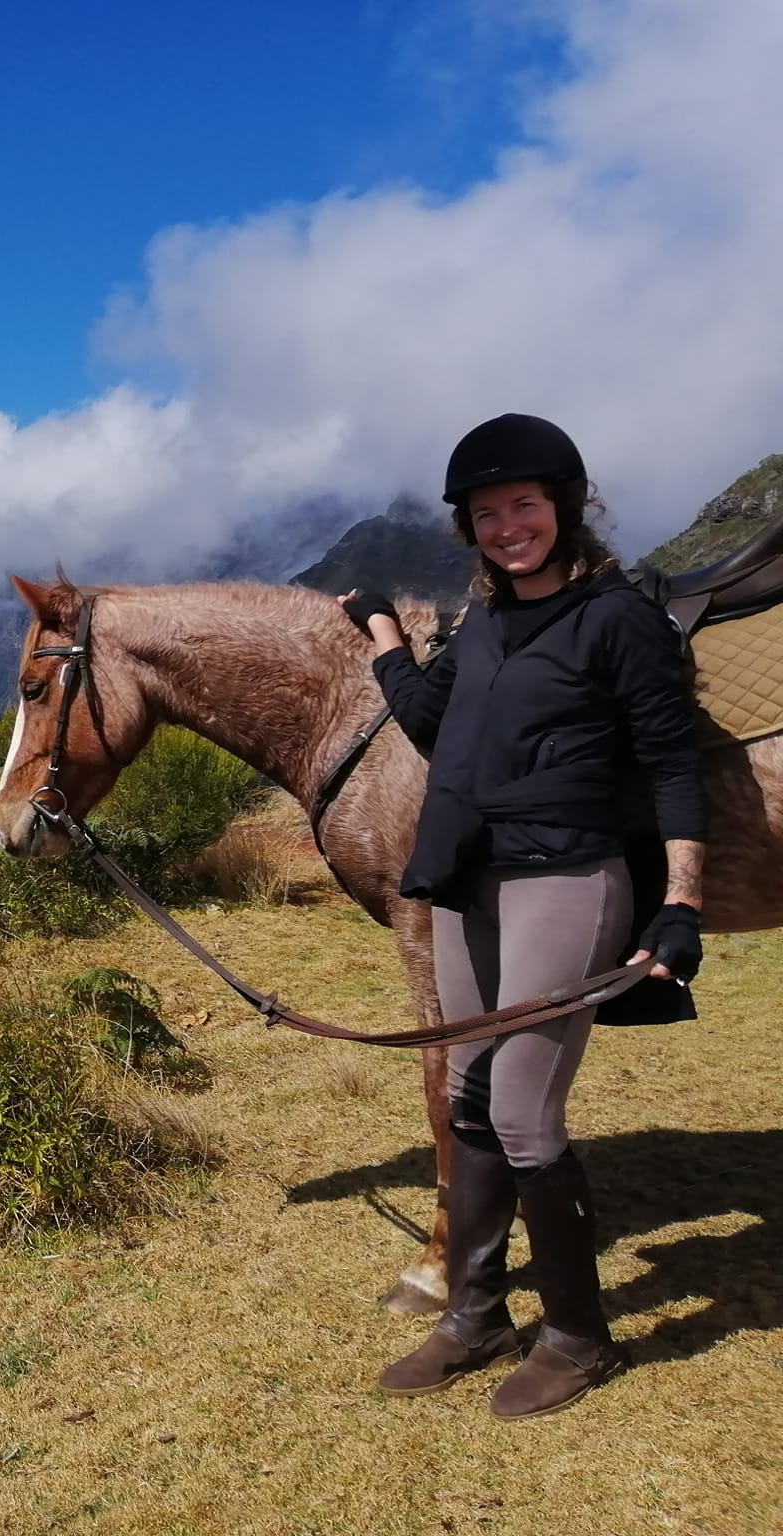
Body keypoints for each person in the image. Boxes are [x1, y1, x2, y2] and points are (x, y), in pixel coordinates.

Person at [338, 413, 707, 1419]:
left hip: (563, 879)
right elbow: (424, 720)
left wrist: (678, 900)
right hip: (467, 878)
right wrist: (381, 637)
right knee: (464, 1095)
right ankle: (473, 1316)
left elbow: (671, 765)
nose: (507, 527)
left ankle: (577, 1337)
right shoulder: (480, 624)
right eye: (487, 512)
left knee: (519, 1113)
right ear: (467, 527)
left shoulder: (615, 619)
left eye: (524, 506)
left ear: (565, 508)